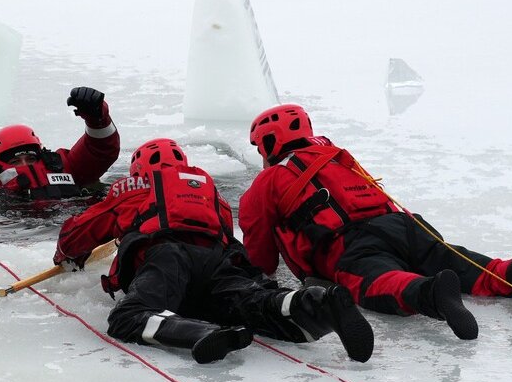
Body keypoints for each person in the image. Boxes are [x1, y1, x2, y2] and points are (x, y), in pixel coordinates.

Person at [237, 103, 512, 340]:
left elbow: (261, 258)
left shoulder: (265, 183)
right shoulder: (337, 157)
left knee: (377, 281)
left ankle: (431, 294)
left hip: (347, 245)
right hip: (405, 225)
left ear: (268, 143)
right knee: (472, 266)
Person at [52, 138, 374, 364]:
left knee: (130, 317)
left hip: (167, 256)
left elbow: (81, 230)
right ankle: (317, 303)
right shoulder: (207, 188)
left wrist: (67, 256)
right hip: (220, 261)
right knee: (252, 303)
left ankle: (199, 334)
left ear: (138, 168)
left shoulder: (135, 184)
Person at [0, 86, 120, 204]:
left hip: (70, 224)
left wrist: (97, 116)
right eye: (16, 161)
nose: (24, 164)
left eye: (30, 158)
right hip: (18, 234)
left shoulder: (66, 165)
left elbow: (101, 148)